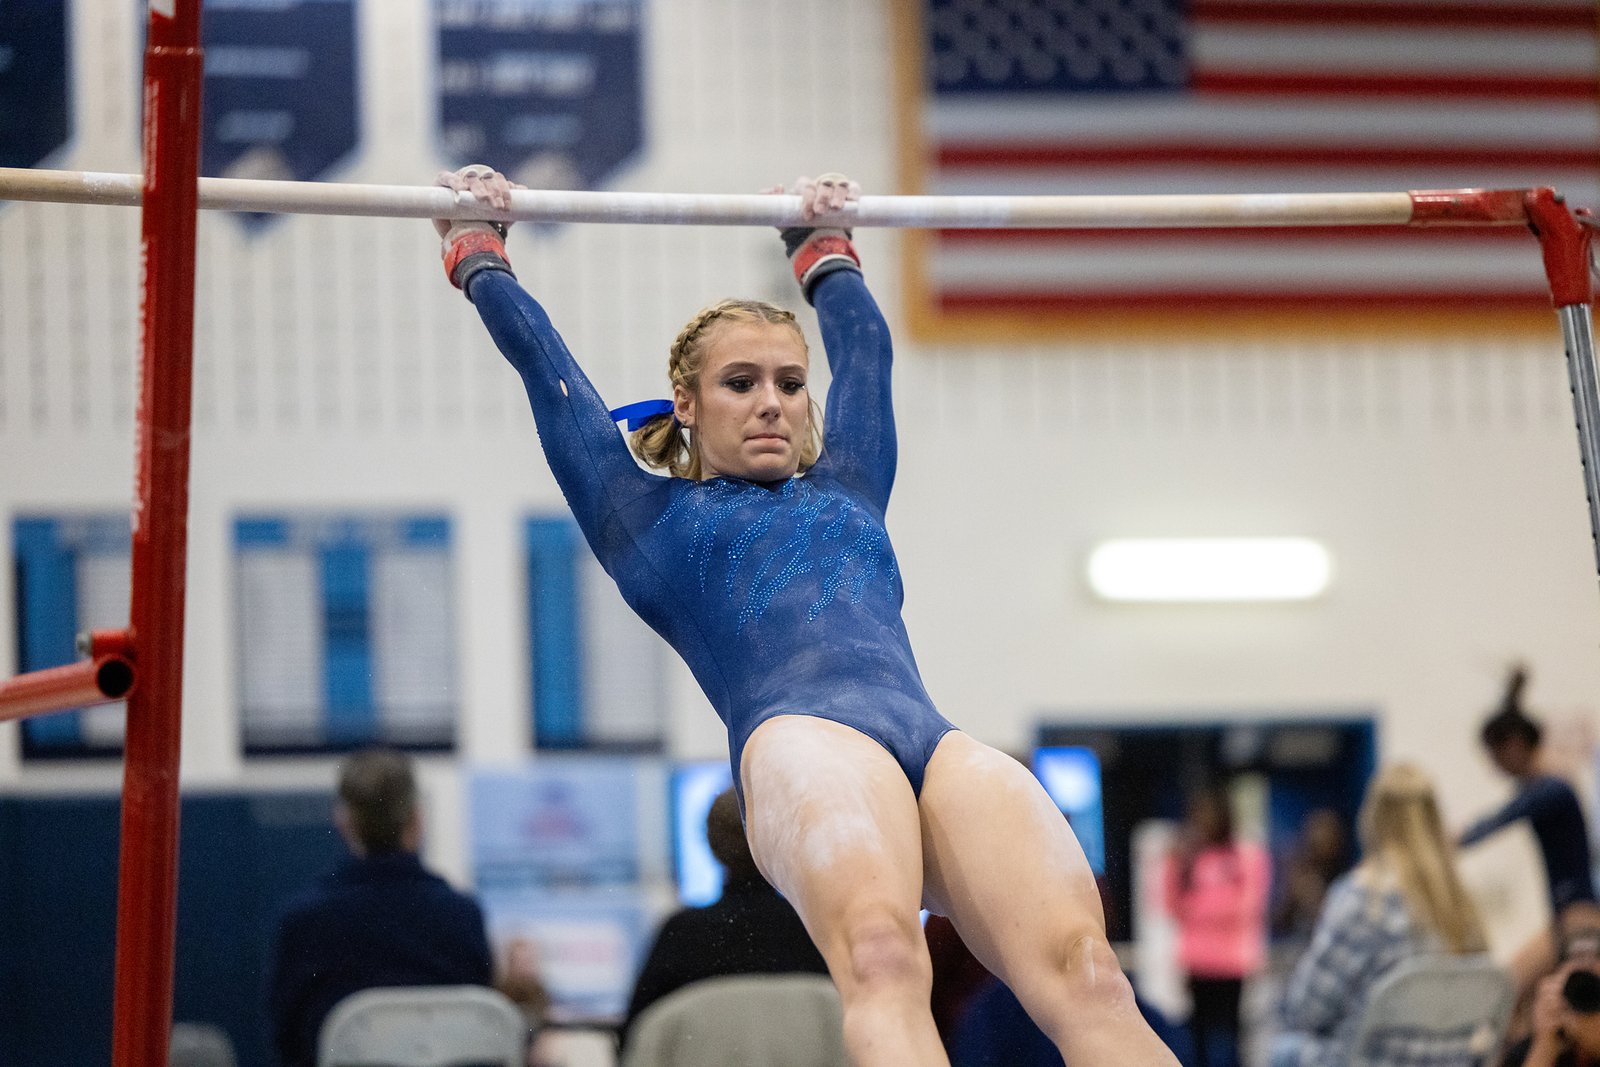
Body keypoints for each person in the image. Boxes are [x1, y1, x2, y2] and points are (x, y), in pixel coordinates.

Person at [431, 165, 1180, 1067]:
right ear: (686, 403)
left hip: (931, 741)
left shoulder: (851, 480)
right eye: (740, 382)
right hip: (800, 739)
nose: (771, 403)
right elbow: (551, 377)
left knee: (1089, 972)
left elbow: (867, 355)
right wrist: (480, 253)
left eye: (790, 383)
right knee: (883, 955)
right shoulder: (646, 518)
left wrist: (825, 251)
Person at [268, 748, 493, 1067]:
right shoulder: (463, 918)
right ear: (417, 818)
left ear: (345, 822)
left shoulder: (304, 923)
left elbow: (287, 1044)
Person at [1270, 763, 1491, 1067]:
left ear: (1373, 820)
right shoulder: (1461, 905)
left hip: (1371, 1061)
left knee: (1284, 1050)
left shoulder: (1362, 899)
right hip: (1452, 1061)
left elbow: (1305, 1009)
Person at [620, 787, 830, 1048]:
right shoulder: (814, 930)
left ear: (711, 844)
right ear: (776, 841)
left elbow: (635, 1040)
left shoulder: (682, 936)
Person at [1460, 665, 1596, 920]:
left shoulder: (1552, 790)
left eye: (1496, 756)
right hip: (1567, 902)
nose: (1495, 766)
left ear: (1515, 745)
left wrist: (1457, 839)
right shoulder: (1543, 788)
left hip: (1578, 906)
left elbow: (1502, 817)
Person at [1161, 784, 1272, 1067]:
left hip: (1232, 963)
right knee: (1197, 1037)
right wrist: (1175, 861)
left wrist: (1201, 908)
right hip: (1197, 962)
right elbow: (1170, 904)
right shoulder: (1187, 857)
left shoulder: (1245, 854)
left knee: (1231, 1037)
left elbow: (1248, 906)